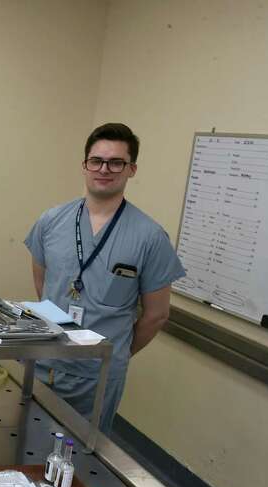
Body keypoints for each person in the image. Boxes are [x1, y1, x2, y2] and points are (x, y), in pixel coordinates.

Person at [25, 123, 185, 432]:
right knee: (24, 443)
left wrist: (113, 354)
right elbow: (43, 286)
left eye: (116, 162)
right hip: (44, 361)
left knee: (81, 456)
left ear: (131, 169)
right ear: (84, 165)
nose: (104, 169)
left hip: (97, 377)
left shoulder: (150, 237)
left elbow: (156, 314)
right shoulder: (51, 221)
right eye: (96, 160)